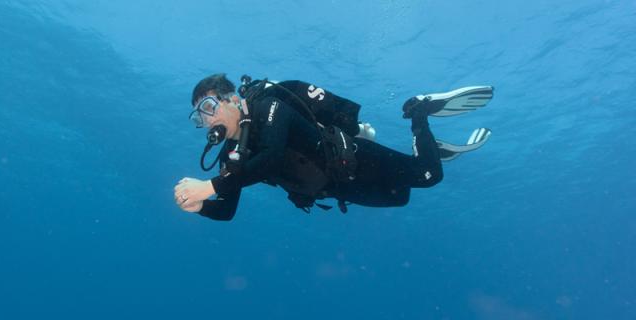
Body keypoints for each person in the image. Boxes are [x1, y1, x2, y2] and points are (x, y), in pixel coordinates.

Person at [174, 74, 493, 221]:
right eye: (198, 117)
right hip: (336, 187)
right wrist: (201, 206)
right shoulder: (230, 155)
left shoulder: (268, 107)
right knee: (401, 198)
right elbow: (227, 210)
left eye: (209, 107)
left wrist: (209, 186)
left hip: (353, 157)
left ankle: (420, 112)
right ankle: (428, 149)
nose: (205, 119)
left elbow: (270, 158)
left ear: (234, 100)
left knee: (427, 176)